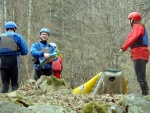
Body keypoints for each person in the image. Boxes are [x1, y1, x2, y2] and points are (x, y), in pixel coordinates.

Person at [119, 12, 149, 95]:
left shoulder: (137, 27)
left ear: (133, 20)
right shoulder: (140, 27)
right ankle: (145, 94)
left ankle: (144, 95)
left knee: (140, 77)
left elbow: (132, 37)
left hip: (139, 54)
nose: (129, 22)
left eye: (129, 20)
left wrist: (123, 48)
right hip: (141, 54)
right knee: (142, 76)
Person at [0, 21, 28, 93]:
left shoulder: (0, 37)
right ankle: (15, 102)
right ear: (14, 28)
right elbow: (25, 51)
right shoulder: (17, 36)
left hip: (2, 62)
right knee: (15, 84)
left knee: (4, 85)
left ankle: (1, 102)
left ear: (6, 28)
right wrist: (19, 51)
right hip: (14, 61)